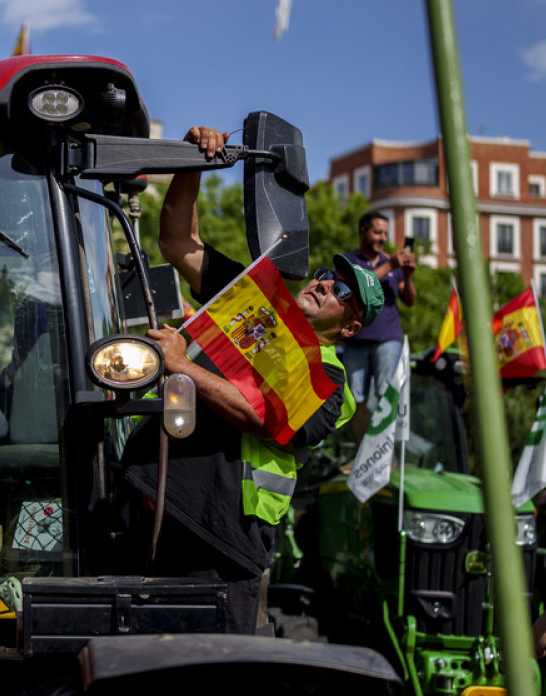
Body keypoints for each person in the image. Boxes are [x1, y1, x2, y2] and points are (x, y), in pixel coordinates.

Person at [122, 126, 385, 635]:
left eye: (342, 293)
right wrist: (194, 159)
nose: (326, 283)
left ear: (349, 327)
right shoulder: (254, 302)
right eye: (329, 276)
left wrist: (181, 365)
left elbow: (265, 418)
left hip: (221, 545)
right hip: (150, 507)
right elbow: (179, 241)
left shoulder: (328, 381)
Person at [341, 211, 417, 438]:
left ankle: (385, 457)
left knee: (387, 394)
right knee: (355, 400)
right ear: (363, 232)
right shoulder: (349, 261)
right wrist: (392, 265)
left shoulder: (391, 264)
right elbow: (359, 285)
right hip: (355, 339)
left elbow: (410, 300)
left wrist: (407, 275)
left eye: (385, 233)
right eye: (377, 232)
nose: (383, 238)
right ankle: (361, 457)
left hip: (387, 338)